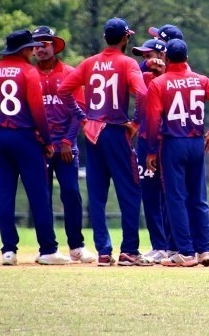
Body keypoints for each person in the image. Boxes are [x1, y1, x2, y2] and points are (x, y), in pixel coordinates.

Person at [58, 17, 148, 266]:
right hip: (116, 131)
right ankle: (129, 250)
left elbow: (64, 90)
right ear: (125, 38)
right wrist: (136, 123)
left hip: (92, 133)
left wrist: (82, 118)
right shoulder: (128, 62)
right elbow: (142, 93)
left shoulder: (88, 63)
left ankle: (104, 252)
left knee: (97, 194)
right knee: (130, 190)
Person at [0, 29, 69, 266]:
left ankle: (8, 250)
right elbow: (38, 111)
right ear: (23, 50)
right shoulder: (28, 72)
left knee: (5, 194)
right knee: (39, 193)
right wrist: (48, 141)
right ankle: (48, 250)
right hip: (24, 137)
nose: (34, 51)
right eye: (31, 48)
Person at [145, 39, 209, 267]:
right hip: (196, 143)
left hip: (172, 143)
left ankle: (185, 252)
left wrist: (152, 150)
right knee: (198, 198)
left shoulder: (159, 84)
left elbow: (154, 121)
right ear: (187, 58)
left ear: (165, 58)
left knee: (175, 198)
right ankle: (205, 250)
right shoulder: (201, 80)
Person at [32, 25, 95, 264]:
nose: (40, 48)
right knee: (42, 197)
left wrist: (68, 141)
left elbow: (78, 112)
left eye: (45, 44)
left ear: (54, 46)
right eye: (36, 45)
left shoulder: (70, 73)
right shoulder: (30, 75)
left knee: (71, 194)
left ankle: (76, 247)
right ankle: (46, 248)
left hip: (66, 147)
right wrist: (38, 139)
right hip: (39, 148)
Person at [131, 38, 174, 264]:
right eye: (143, 57)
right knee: (149, 195)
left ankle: (172, 244)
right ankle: (159, 245)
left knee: (170, 197)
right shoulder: (144, 77)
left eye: (148, 56)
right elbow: (132, 76)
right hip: (146, 140)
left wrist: (164, 68)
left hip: (167, 142)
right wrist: (146, 66)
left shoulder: (171, 78)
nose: (145, 61)